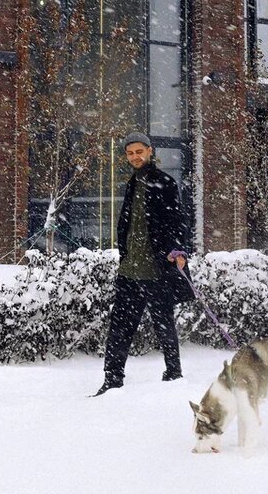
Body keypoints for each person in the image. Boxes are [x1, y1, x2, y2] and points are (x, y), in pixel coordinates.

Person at [93, 131, 194, 397]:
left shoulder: (165, 182)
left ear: (150, 151)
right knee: (120, 327)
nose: (135, 157)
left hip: (156, 268)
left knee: (164, 325)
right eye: (130, 153)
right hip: (130, 269)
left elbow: (177, 221)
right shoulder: (132, 183)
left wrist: (177, 249)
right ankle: (112, 379)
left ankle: (174, 375)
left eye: (139, 151)